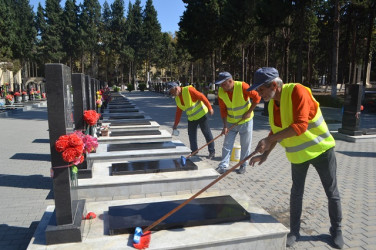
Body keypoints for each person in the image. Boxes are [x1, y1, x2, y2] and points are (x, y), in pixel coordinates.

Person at [248, 67, 344, 249]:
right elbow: (276, 132)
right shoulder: (272, 105)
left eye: (261, 89)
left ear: (274, 85)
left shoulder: (297, 91)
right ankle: (294, 232)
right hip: (299, 156)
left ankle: (337, 230)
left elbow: (300, 125)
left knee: (332, 192)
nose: (259, 94)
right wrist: (265, 155)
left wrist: (268, 139)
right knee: (296, 193)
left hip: (322, 150)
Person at [215, 72, 261, 174]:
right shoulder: (221, 92)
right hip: (231, 123)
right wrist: (225, 126)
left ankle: (243, 165)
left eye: (223, 84)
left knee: (245, 145)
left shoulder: (242, 86)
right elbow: (223, 109)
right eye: (220, 85)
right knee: (227, 145)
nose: (222, 87)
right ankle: (223, 165)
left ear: (230, 81)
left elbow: (257, 98)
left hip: (245, 122)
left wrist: (249, 112)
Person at [168, 82, 215, 159]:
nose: (172, 94)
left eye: (172, 92)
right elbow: (178, 112)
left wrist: (210, 107)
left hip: (201, 115)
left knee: (206, 133)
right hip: (191, 118)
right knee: (191, 134)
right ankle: (194, 151)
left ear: (176, 88)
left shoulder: (189, 90)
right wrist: (175, 124)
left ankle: (212, 152)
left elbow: (202, 97)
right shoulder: (177, 98)